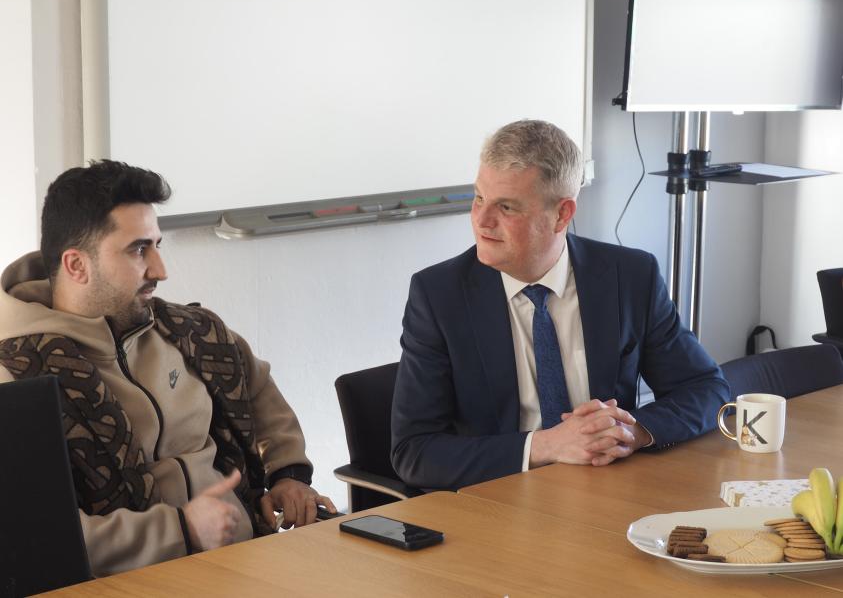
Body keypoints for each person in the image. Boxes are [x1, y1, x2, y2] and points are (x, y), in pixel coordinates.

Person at [0, 160, 335, 577]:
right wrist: (181, 530)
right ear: (76, 265)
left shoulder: (191, 332)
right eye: (139, 249)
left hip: (248, 561)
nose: (160, 270)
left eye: (158, 245)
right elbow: (30, 539)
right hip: (139, 581)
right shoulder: (14, 375)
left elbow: (259, 391)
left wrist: (288, 475)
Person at [391, 119, 730, 491]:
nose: (481, 221)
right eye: (478, 198)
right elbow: (414, 452)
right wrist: (546, 445)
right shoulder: (439, 295)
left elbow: (705, 388)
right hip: (500, 501)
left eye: (506, 207)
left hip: (606, 490)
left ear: (562, 214)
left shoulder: (630, 276)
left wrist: (632, 432)